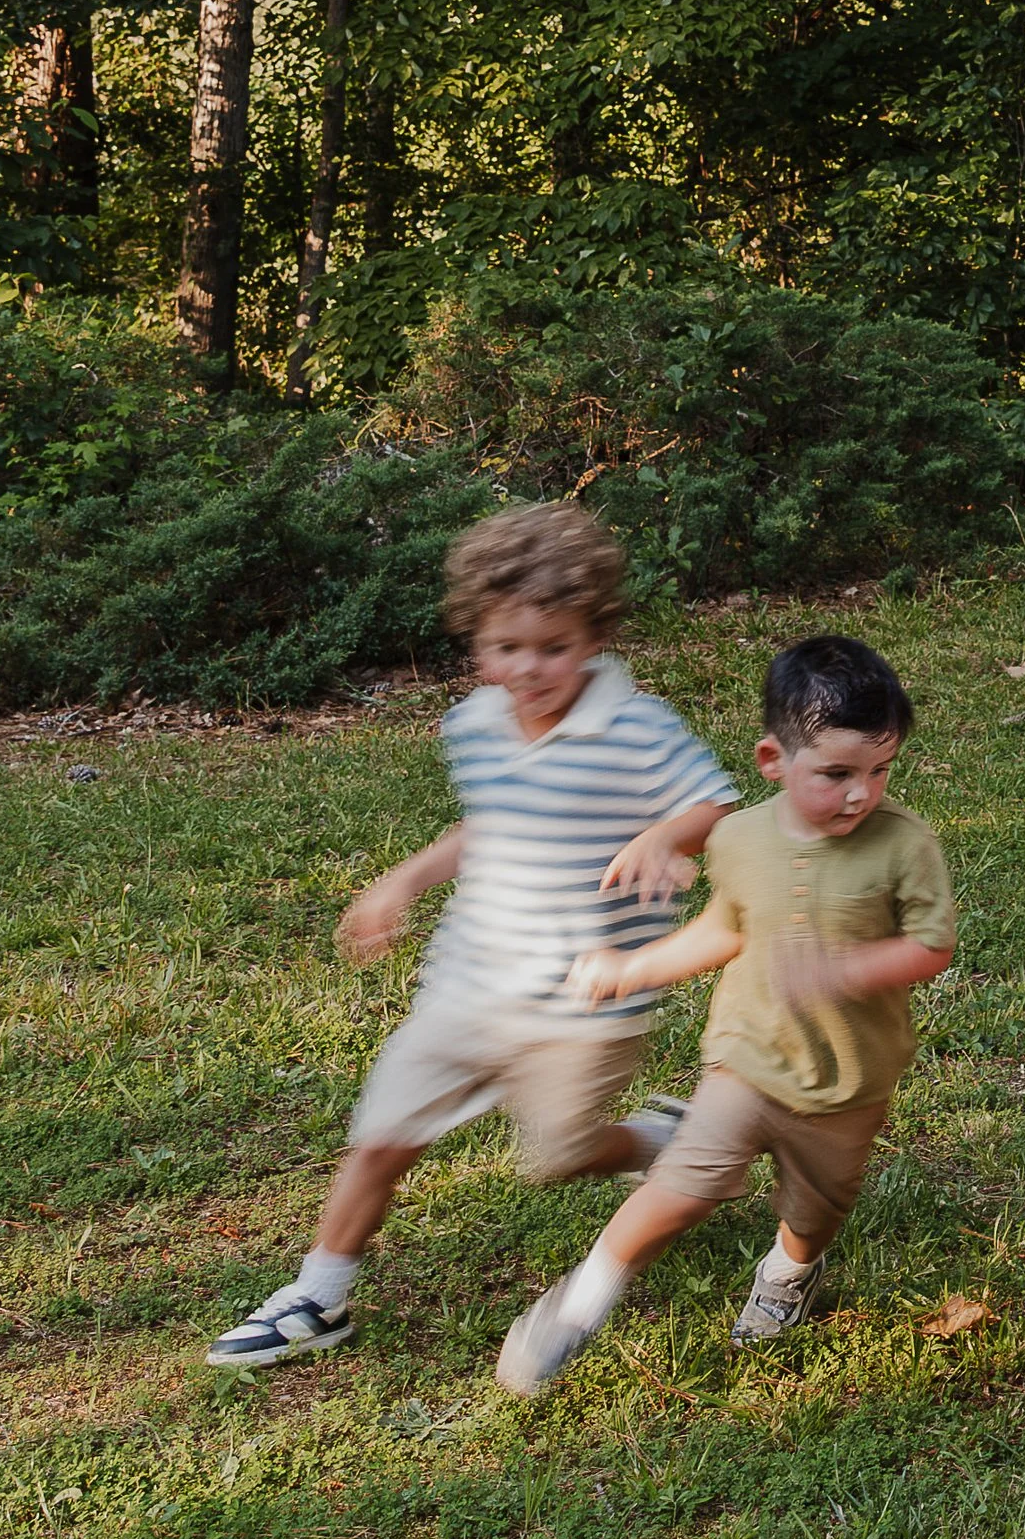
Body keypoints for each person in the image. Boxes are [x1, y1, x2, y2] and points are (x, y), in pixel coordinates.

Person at [204, 500, 737, 1371]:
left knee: (560, 1154)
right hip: (468, 981)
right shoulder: (475, 726)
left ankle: (656, 1140)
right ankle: (318, 1294)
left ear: (595, 639)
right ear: (475, 642)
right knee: (381, 1132)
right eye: (506, 647)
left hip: (585, 1002)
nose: (529, 669)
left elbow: (715, 803)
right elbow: (488, 822)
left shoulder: (636, 727)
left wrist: (665, 834)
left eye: (553, 647)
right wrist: (404, 878)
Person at [494, 634, 955, 1393]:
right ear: (773, 760)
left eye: (879, 770)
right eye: (836, 772)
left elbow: (932, 946)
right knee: (682, 1182)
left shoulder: (905, 845)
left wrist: (848, 970)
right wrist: (632, 966)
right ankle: (579, 1303)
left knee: (816, 1207)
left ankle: (790, 1269)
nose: (859, 794)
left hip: (849, 1077)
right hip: (745, 1057)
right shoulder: (739, 838)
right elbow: (726, 928)